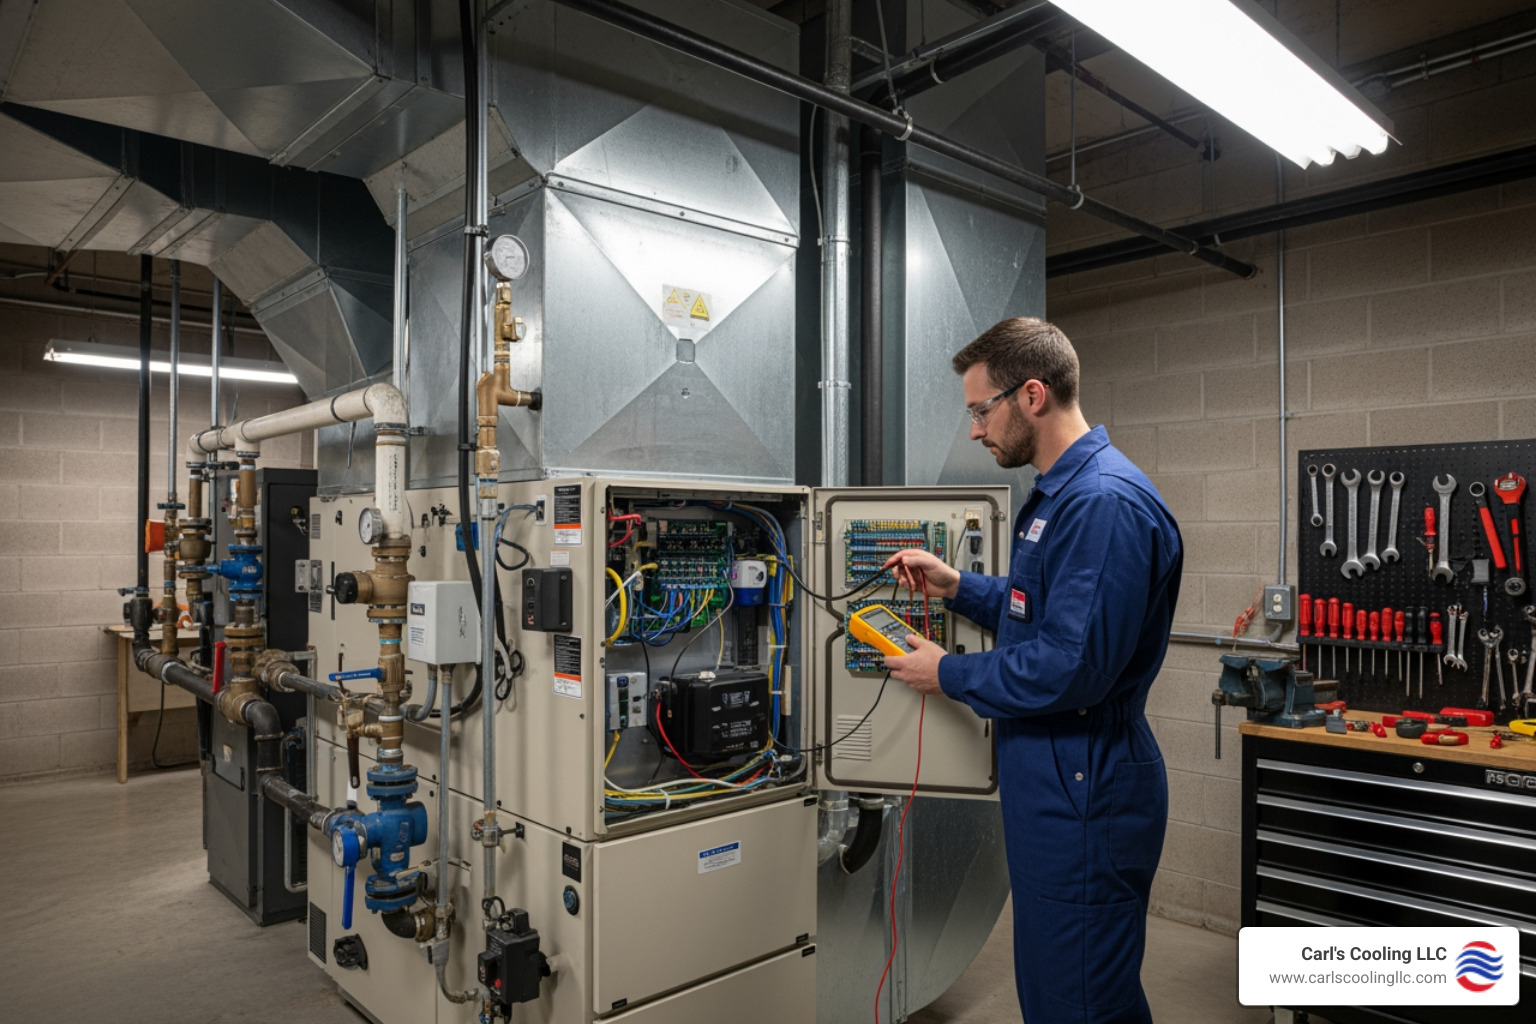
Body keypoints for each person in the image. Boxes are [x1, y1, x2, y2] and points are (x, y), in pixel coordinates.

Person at [882, 316, 1182, 1024]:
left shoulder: (1102, 501)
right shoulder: (1064, 494)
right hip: (1055, 776)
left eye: (980, 411)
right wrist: (959, 585)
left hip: (1085, 781)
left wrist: (948, 673)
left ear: (1033, 396)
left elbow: (1071, 666)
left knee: (1080, 999)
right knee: (1057, 986)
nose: (976, 431)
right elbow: (1040, 612)